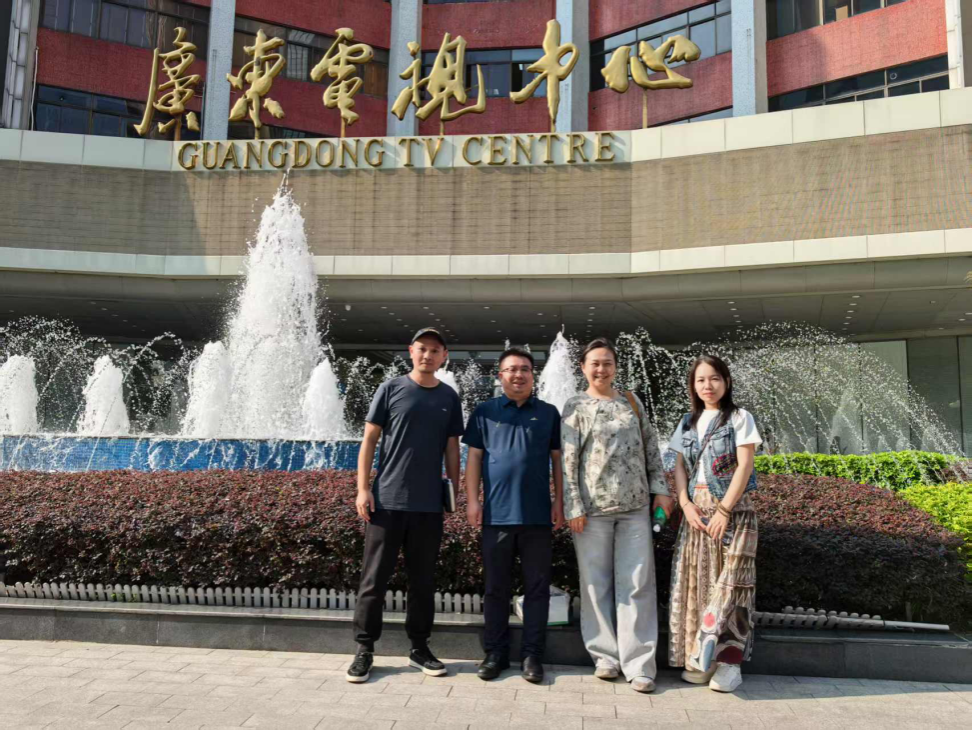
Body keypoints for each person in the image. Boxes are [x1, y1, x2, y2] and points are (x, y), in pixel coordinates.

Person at [347, 328, 464, 684]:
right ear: (410, 351)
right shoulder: (391, 388)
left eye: (435, 350)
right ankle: (364, 649)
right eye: (422, 349)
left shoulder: (449, 396)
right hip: (387, 501)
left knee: (423, 581)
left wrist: (454, 491)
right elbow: (369, 440)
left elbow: (452, 447)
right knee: (374, 580)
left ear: (444, 356)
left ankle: (419, 648)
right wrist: (362, 489)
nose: (428, 355)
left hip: (428, 506)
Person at [560, 337, 673, 694]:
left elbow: (651, 447)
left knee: (637, 584)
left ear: (615, 366)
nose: (601, 369)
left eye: (607, 362)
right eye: (594, 363)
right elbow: (567, 461)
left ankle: (639, 664)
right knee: (595, 584)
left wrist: (661, 489)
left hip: (635, 508)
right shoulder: (575, 405)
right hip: (592, 511)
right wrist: (573, 506)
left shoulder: (631, 401)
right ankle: (605, 656)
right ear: (583, 367)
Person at [463, 346, 564, 684]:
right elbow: (474, 458)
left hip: (537, 517)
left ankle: (533, 655)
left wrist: (559, 501)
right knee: (496, 588)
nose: (518, 375)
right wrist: (472, 501)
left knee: (537, 589)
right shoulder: (484, 412)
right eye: (511, 369)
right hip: (496, 515)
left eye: (524, 369)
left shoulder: (548, 413)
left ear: (533, 376)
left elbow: (557, 461)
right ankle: (495, 653)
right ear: (500, 376)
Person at [667, 354, 761, 694]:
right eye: (701, 380)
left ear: (727, 381)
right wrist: (685, 504)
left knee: (732, 587)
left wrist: (723, 510)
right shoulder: (687, 422)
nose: (708, 385)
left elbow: (745, 466)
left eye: (715, 378)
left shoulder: (739, 417)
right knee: (700, 584)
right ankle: (701, 659)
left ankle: (729, 664)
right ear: (693, 386)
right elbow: (678, 467)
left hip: (733, 513)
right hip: (697, 513)